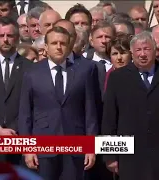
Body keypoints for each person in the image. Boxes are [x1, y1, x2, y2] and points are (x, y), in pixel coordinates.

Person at [18, 26, 98, 180]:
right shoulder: (32, 72)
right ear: (46, 47)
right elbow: (25, 113)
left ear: (69, 46)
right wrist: (27, 148)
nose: (59, 47)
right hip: (43, 145)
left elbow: (90, 111)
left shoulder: (84, 70)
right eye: (54, 43)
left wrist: (91, 146)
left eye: (63, 43)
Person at [102, 31, 159, 180]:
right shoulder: (118, 78)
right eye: (138, 50)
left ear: (155, 50)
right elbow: (109, 118)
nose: (142, 54)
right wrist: (110, 155)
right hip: (129, 155)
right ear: (132, 53)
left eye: (146, 49)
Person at [0, 17, 32, 164]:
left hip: (19, 139)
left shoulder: (29, 68)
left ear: (17, 38)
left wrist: (13, 129)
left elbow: (31, 104)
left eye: (9, 35)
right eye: (1, 35)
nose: (5, 39)